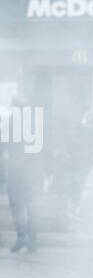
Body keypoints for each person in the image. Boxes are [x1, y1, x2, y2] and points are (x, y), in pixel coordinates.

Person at [4, 95, 40, 253]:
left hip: (15, 168)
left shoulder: (10, 123)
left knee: (17, 204)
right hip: (31, 169)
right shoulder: (33, 122)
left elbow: (3, 144)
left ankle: (22, 236)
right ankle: (31, 239)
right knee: (31, 204)